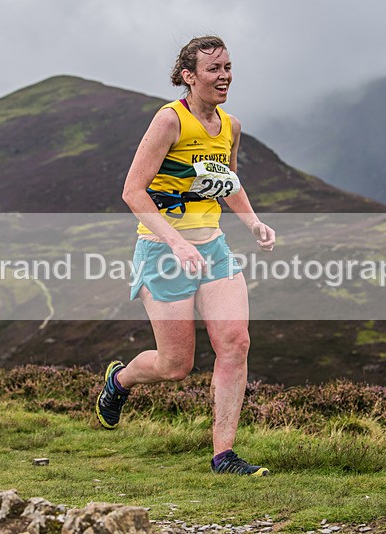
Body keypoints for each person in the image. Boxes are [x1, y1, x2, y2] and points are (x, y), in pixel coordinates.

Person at [96, 35, 275, 476]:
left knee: (236, 342)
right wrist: (175, 241)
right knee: (176, 365)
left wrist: (252, 222)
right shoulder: (169, 122)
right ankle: (119, 381)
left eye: (228, 67)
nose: (224, 76)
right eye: (213, 69)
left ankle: (223, 456)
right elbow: (132, 191)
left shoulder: (231, 127)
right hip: (162, 250)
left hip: (212, 248)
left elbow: (227, 181)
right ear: (188, 77)